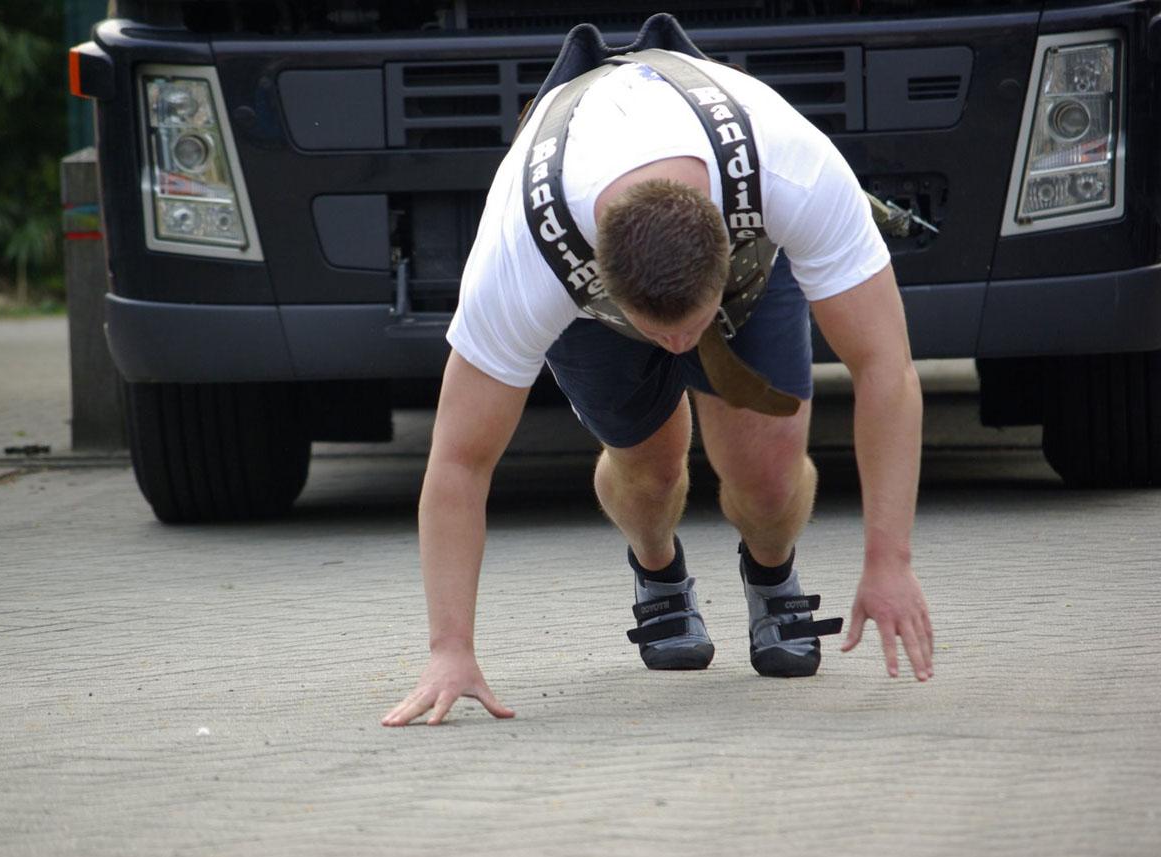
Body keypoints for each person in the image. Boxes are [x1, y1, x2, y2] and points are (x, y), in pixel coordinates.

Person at [382, 48, 933, 728]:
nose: (677, 347)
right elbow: (460, 461)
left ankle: (771, 571)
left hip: (749, 278)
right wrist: (449, 649)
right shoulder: (525, 253)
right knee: (651, 472)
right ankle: (658, 569)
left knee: (766, 475)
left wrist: (889, 560)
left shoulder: (790, 170)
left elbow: (886, 368)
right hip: (591, 308)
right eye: (660, 332)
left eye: (688, 328)